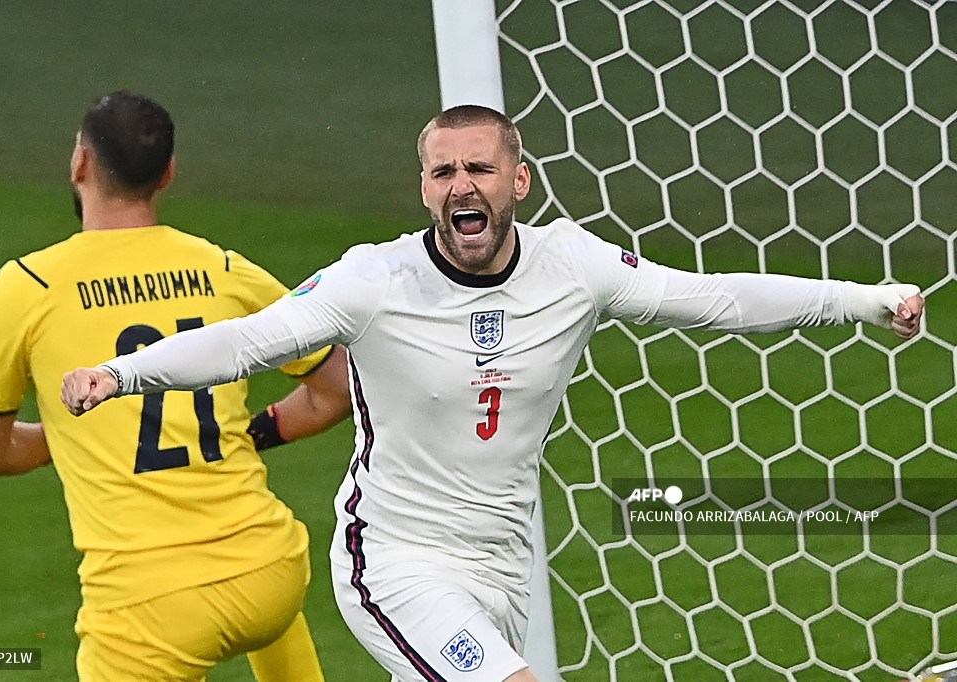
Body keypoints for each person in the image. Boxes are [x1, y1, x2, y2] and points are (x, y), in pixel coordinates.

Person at [61, 105, 925, 682]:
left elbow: (719, 300)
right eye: (441, 172)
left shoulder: (575, 268)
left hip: (505, 566)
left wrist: (867, 302)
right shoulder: (375, 280)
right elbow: (250, 339)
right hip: (395, 561)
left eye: (478, 166)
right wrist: (121, 374)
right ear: (425, 189)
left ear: (519, 182)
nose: (460, 185)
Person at [0, 91, 352, 681]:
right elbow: (339, 387)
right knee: (267, 611)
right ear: (167, 174)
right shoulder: (220, 268)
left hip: (150, 608)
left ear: (80, 165)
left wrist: (78, 433)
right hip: (270, 571)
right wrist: (253, 432)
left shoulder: (29, 286)